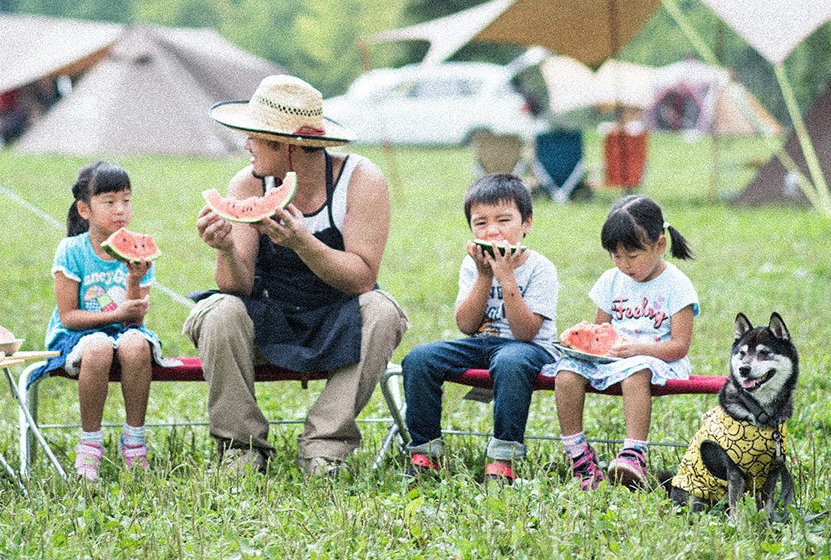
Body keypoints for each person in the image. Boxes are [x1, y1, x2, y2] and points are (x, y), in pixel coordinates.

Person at [185, 74, 409, 477]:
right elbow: (237, 287)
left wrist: (303, 241)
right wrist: (224, 249)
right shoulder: (247, 183)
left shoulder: (361, 179)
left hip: (337, 317)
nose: (245, 145)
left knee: (383, 311)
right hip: (270, 318)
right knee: (218, 312)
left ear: (287, 145)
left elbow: (361, 278)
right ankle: (241, 448)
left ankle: (325, 445)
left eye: (254, 136)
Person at [401, 174, 559, 484]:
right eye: (481, 223)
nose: (493, 231)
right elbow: (467, 325)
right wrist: (484, 276)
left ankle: (504, 458)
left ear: (526, 223)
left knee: (510, 361)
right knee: (418, 359)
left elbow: (526, 332)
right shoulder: (471, 265)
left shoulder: (541, 268)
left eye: (504, 220)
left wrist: (507, 277)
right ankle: (425, 452)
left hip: (530, 349)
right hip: (483, 343)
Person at [548, 194, 698, 490]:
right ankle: (578, 455)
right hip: (613, 359)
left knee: (635, 372)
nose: (624, 265)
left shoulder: (677, 285)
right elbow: (600, 331)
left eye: (632, 256)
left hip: (658, 360)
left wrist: (638, 349)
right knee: (565, 375)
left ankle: (634, 454)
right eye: (616, 256)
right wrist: (580, 343)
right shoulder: (611, 280)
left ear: (659, 245)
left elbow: (680, 346)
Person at [41, 161, 172, 481]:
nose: (120, 210)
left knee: (136, 345)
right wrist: (114, 314)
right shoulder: (71, 250)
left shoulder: (139, 252)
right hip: (75, 334)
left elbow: (134, 322)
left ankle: (134, 443)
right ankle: (90, 445)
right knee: (98, 346)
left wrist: (133, 279)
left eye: (126, 200)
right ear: (84, 209)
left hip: (123, 330)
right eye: (109, 201)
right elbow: (69, 317)